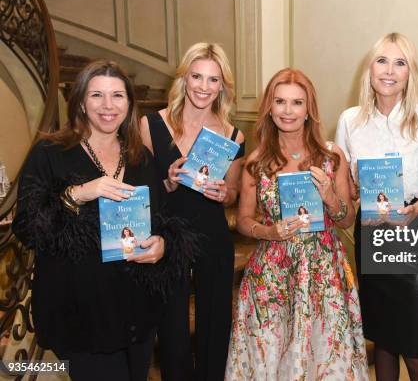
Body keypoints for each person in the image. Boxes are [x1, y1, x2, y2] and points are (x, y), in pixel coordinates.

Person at [12, 60, 194, 381]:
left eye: (117, 96)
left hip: (137, 312)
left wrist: (163, 245)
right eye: (97, 95)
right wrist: (79, 193)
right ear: (81, 102)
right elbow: (27, 227)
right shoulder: (51, 153)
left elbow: (162, 220)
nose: (108, 106)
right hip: (82, 314)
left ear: (128, 103)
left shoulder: (140, 157)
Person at [226, 68, 368, 380]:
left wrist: (331, 197)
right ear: (269, 107)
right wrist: (268, 231)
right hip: (271, 277)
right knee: (270, 356)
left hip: (323, 273)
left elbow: (347, 219)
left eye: (297, 103)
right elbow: (244, 221)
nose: (288, 111)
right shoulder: (256, 161)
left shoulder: (332, 157)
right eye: (280, 101)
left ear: (309, 110)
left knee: (325, 360)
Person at [335, 32, 418, 381]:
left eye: (400, 63)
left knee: (417, 351)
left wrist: (416, 209)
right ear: (369, 68)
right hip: (373, 235)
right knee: (382, 340)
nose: (389, 70)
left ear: (410, 72)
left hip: (417, 232)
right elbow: (350, 187)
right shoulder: (349, 120)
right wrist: (344, 193)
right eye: (382, 60)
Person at [140, 42, 245, 381]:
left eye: (213, 80)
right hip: (168, 236)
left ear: (222, 86)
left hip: (212, 234)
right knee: (171, 329)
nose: (203, 86)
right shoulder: (151, 125)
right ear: (183, 78)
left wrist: (223, 192)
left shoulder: (233, 134)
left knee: (216, 326)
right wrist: (167, 181)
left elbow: (233, 192)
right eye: (196, 76)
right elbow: (142, 192)